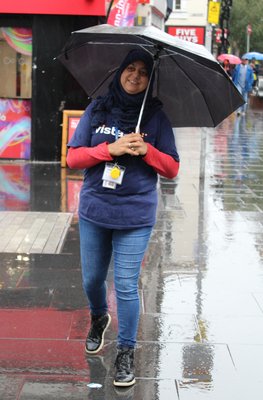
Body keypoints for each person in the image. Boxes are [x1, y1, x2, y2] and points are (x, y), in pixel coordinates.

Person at [66, 49, 180, 387]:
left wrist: (148, 151)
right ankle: (99, 316)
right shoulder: (97, 108)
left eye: (143, 72)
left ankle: (126, 351)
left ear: (150, 80)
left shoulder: (156, 118)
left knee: (127, 285)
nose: (135, 76)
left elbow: (172, 168)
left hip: (135, 213)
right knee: (92, 280)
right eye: (130, 68)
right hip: (95, 210)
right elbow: (73, 158)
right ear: (119, 72)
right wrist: (109, 150)